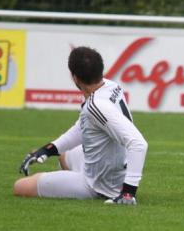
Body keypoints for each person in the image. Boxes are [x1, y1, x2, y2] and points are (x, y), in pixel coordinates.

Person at [13, 46, 148, 205]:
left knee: (20, 186)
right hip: (111, 167)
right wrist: (48, 150)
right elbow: (83, 127)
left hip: (100, 184)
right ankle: (71, 182)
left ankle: (82, 188)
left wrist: (128, 194)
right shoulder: (110, 86)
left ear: (75, 77)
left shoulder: (96, 105)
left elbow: (138, 144)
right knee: (63, 155)